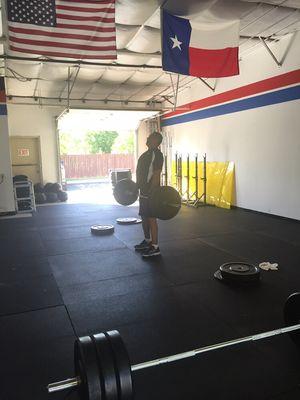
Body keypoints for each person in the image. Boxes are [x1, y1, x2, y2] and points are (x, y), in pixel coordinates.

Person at [135, 131, 164, 257]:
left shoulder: (157, 154)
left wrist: (153, 193)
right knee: (144, 217)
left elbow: (156, 174)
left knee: (152, 219)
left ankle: (155, 247)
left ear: (156, 141)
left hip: (151, 193)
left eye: (150, 138)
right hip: (143, 191)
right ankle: (147, 241)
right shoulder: (146, 154)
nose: (147, 138)